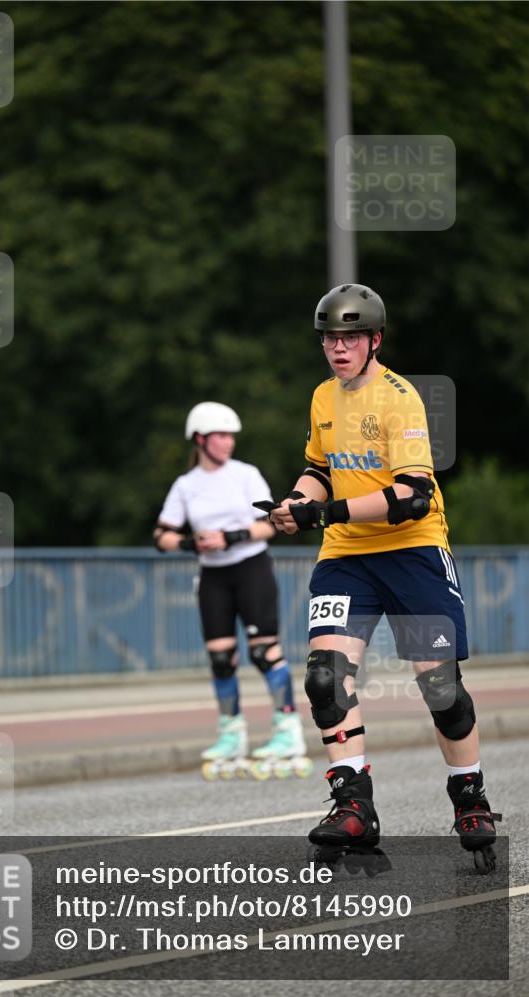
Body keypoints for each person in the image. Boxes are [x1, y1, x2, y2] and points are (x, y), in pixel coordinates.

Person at [270, 283, 501, 872]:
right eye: (329, 338)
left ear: (375, 340)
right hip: (347, 556)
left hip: (411, 550)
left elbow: (413, 496)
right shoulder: (323, 397)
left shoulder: (399, 399)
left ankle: (468, 794)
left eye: (350, 338)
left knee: (439, 688)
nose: (338, 348)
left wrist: (328, 511)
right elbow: (319, 468)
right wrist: (298, 503)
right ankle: (353, 803)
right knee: (325, 678)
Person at [153, 401, 310, 779]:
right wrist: (192, 543)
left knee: (264, 652)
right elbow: (162, 535)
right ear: (200, 439)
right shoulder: (186, 485)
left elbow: (271, 525)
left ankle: (288, 731)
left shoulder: (245, 475)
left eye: (231, 436)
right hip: (213, 577)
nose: (227, 442)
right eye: (220, 436)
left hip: (251, 569)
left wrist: (230, 536)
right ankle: (231, 734)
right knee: (222, 659)